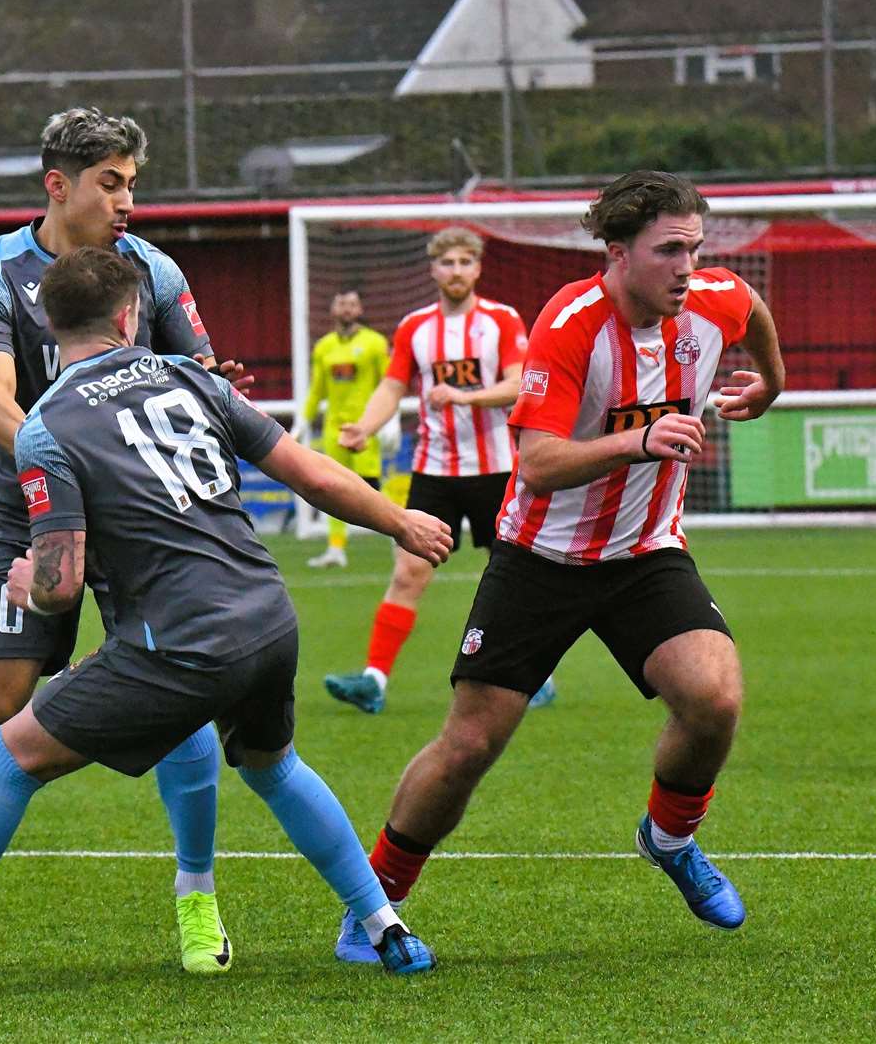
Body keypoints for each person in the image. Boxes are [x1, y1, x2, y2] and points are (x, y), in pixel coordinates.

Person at [0, 247, 449, 993]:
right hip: (268, 617)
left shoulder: (43, 428)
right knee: (272, 766)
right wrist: (399, 521)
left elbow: (60, 586)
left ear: (43, 321)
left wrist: (24, 579)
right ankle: (381, 924)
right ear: (131, 313)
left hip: (180, 642)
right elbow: (307, 469)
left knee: (7, 756)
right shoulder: (192, 376)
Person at [330, 170, 786, 964]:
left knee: (713, 698)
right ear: (617, 253)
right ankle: (375, 906)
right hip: (541, 557)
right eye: (669, 250)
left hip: (646, 553)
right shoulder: (569, 323)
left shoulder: (710, 300)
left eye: (696, 248)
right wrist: (637, 440)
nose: (687, 267)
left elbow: (752, 315)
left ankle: (669, 840)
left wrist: (772, 385)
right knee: (469, 747)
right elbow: (536, 465)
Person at [0, 107, 251, 970]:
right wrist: (62, 463)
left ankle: (197, 899)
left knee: (180, 705)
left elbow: (195, 375)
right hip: (30, 506)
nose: (126, 202)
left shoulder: (153, 270)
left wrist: (214, 384)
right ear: (58, 185)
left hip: (138, 519)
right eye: (110, 183)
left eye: (132, 185)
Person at [323, 228, 554, 713]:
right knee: (409, 570)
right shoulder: (414, 327)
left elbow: (520, 385)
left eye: (463, 262)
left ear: (477, 268)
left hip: (496, 470)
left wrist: (465, 396)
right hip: (434, 471)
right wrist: (364, 426)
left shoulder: (501, 320)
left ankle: (537, 672)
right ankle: (374, 681)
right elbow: (391, 386)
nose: (455, 271)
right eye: (446, 263)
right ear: (432, 269)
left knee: (516, 576)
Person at [295, 288, 391, 568]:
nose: (347, 309)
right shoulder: (324, 347)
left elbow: (388, 383)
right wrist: (302, 421)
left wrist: (388, 420)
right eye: (342, 304)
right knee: (333, 490)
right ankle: (336, 548)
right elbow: (316, 391)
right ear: (333, 309)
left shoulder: (374, 343)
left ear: (360, 310)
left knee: (370, 486)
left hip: (365, 427)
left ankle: (399, 534)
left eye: (352, 304)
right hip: (334, 429)